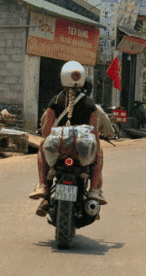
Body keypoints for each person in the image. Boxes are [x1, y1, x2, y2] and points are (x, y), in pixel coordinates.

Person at [29, 61, 107, 216]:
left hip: (59, 151)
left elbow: (46, 130)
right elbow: (93, 132)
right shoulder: (90, 103)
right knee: (98, 153)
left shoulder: (55, 100)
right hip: (81, 152)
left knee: (43, 147)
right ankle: (94, 191)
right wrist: (95, 147)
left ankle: (43, 186)